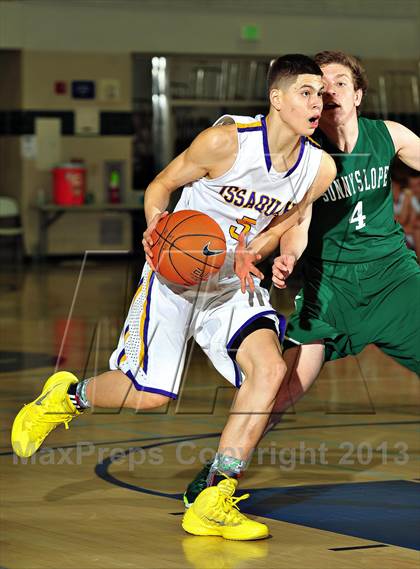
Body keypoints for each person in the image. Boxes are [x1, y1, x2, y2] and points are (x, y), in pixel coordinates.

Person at [11, 54, 336, 541]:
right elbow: (162, 185)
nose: (317, 102)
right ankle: (67, 396)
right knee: (146, 395)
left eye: (320, 94)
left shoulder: (320, 167)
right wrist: (155, 226)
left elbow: (286, 219)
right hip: (177, 276)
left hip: (234, 280)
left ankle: (214, 497)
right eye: (306, 92)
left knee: (269, 373)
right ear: (277, 98)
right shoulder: (224, 142)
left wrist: (261, 250)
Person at [183, 50, 420, 509]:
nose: (329, 93)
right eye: (320, 86)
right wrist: (289, 255)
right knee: (284, 386)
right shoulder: (307, 157)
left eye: (340, 84)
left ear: (358, 94)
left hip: (394, 280)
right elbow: (299, 221)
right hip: (331, 287)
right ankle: (216, 477)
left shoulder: (387, 136)